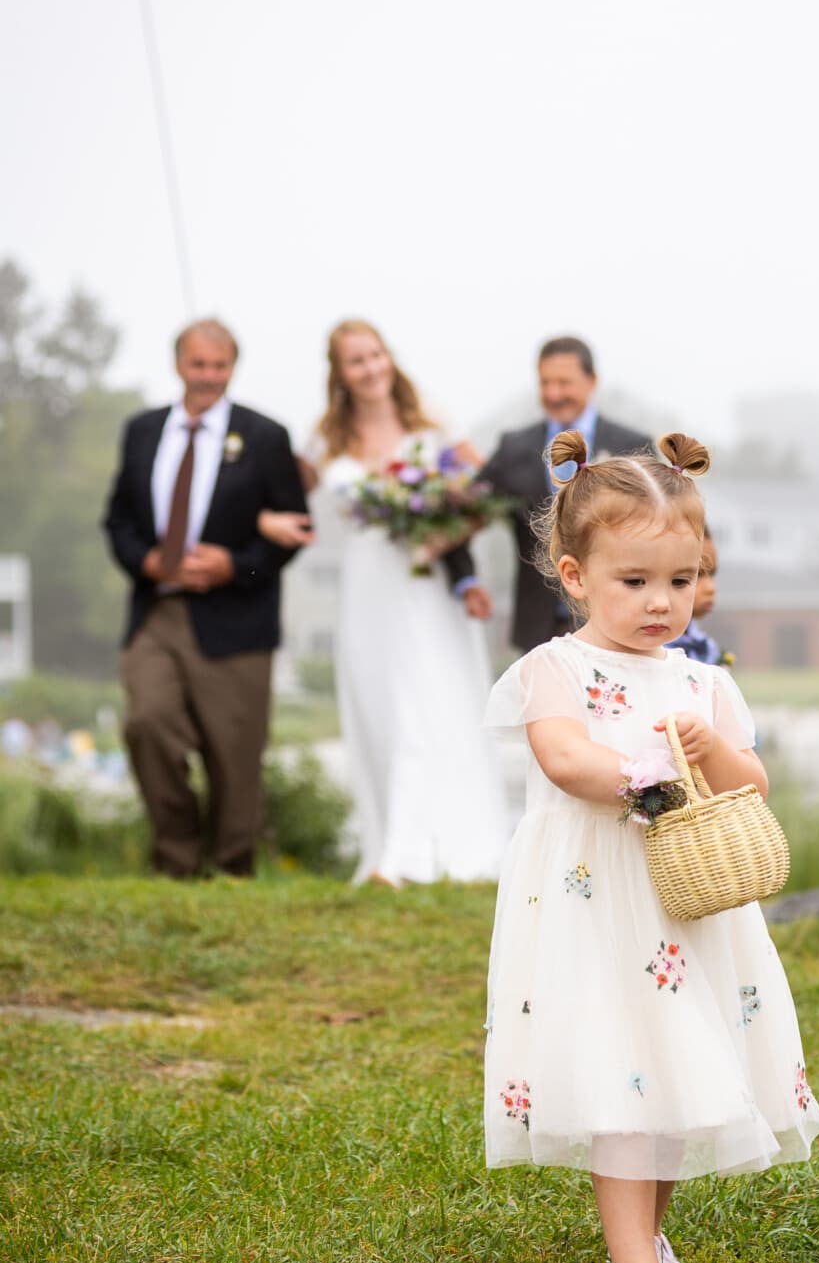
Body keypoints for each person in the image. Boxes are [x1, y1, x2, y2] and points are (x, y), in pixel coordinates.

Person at [483, 430, 819, 1263]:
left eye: (680, 581)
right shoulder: (554, 669)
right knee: (615, 1066)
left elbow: (750, 781)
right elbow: (564, 760)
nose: (660, 602)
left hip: (685, 903)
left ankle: (649, 1242)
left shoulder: (702, 682)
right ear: (575, 574)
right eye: (634, 582)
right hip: (597, 899)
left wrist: (714, 752)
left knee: (671, 1069)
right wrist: (645, 780)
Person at [257, 319, 507, 887]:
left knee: (430, 700)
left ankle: (435, 848)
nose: (370, 368)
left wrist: (444, 530)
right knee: (381, 707)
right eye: (356, 361)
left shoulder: (431, 422)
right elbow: (279, 494)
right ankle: (385, 845)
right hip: (367, 586)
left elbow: (486, 488)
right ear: (340, 374)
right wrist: (264, 519)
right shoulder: (327, 440)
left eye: (376, 356)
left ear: (388, 359)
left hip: (424, 580)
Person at [102, 319, 309, 877]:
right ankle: (176, 860)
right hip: (157, 612)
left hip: (237, 618)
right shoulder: (142, 430)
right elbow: (118, 518)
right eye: (199, 365)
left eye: (220, 367)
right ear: (179, 365)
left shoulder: (265, 436)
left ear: (232, 369)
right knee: (146, 723)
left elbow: (296, 529)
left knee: (234, 756)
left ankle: (231, 871)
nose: (209, 377)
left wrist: (233, 565)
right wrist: (143, 559)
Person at [452, 337, 650, 652]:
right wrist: (466, 580)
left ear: (591, 381)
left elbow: (662, 522)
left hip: (618, 623)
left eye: (563, 383)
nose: (553, 394)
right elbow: (461, 516)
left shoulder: (632, 447)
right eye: (545, 383)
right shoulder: (513, 448)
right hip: (537, 627)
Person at [666, 527, 722, 665]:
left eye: (712, 574)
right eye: (698, 575)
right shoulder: (649, 650)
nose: (711, 589)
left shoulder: (707, 648)